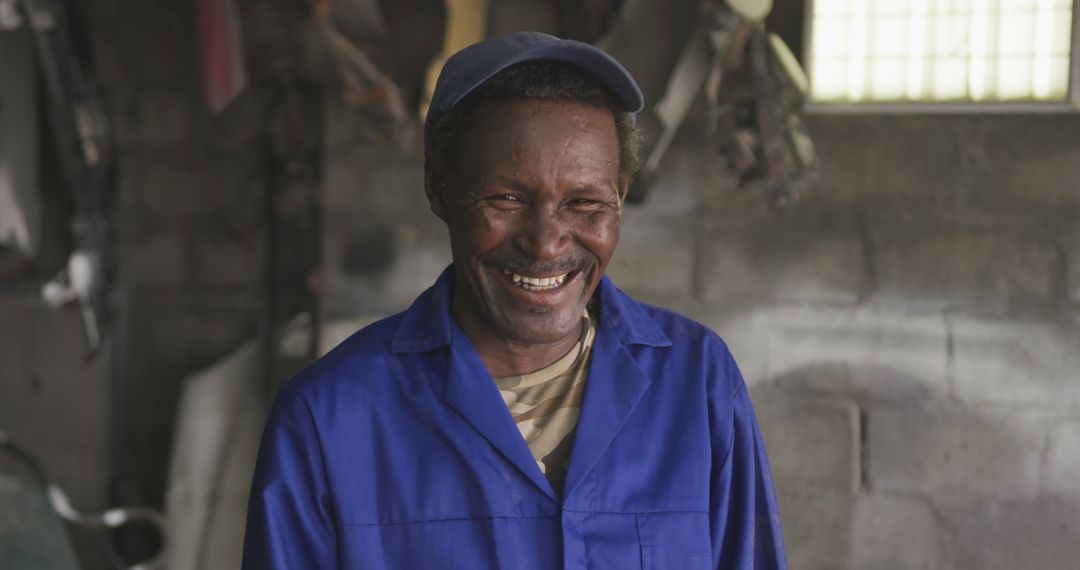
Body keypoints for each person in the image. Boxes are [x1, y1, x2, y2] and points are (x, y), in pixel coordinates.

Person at [242, 31, 787, 569]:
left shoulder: (698, 383)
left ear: (620, 197)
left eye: (584, 203)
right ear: (440, 187)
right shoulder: (328, 419)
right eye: (506, 198)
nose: (546, 242)